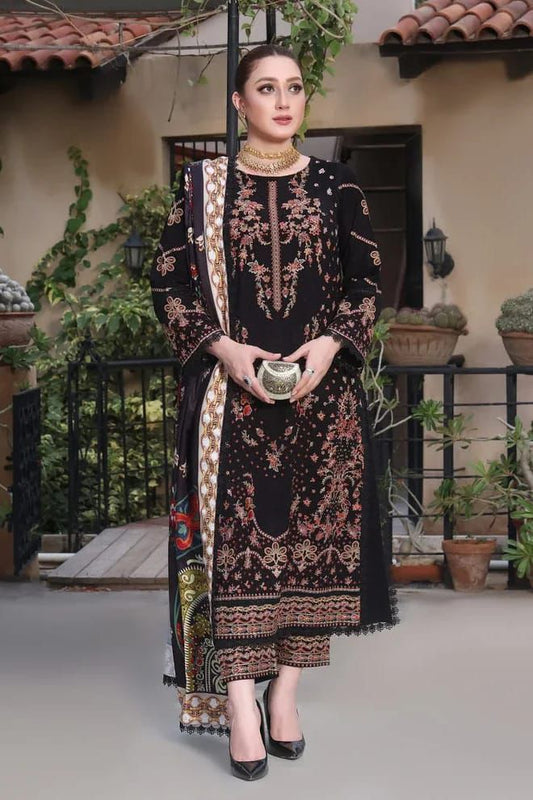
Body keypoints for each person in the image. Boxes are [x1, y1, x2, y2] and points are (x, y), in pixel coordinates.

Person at [150, 42, 400, 781]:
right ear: (239, 104)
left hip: (323, 407)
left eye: (293, 87)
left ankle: (285, 694)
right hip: (229, 401)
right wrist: (225, 352)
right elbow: (167, 288)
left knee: (312, 553)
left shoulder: (337, 186)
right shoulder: (201, 186)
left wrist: (331, 345)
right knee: (233, 555)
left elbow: (364, 283)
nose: (283, 101)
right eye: (266, 88)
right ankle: (237, 704)